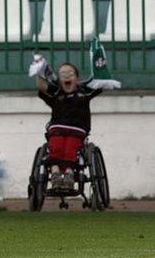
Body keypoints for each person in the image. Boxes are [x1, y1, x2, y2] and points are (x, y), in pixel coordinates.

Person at [27, 56, 114, 190]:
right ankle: (55, 172)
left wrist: (100, 65)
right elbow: (41, 86)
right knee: (56, 145)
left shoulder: (84, 92)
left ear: (77, 78)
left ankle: (69, 174)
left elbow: (100, 83)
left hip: (78, 129)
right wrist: (39, 69)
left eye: (70, 73)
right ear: (59, 80)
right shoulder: (56, 93)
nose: (67, 76)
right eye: (63, 74)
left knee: (70, 147)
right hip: (57, 128)